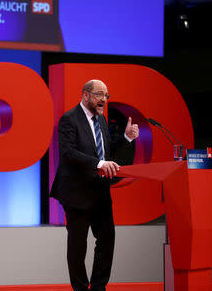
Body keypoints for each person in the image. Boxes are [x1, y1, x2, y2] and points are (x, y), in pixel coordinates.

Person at [50, 79, 139, 291]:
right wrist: (99, 163)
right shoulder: (69, 119)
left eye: (106, 96)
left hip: (100, 192)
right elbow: (68, 153)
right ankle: (80, 288)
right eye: (100, 95)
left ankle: (98, 287)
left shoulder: (101, 121)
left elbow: (104, 151)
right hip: (77, 193)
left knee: (107, 241)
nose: (104, 100)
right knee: (78, 247)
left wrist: (126, 138)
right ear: (86, 95)